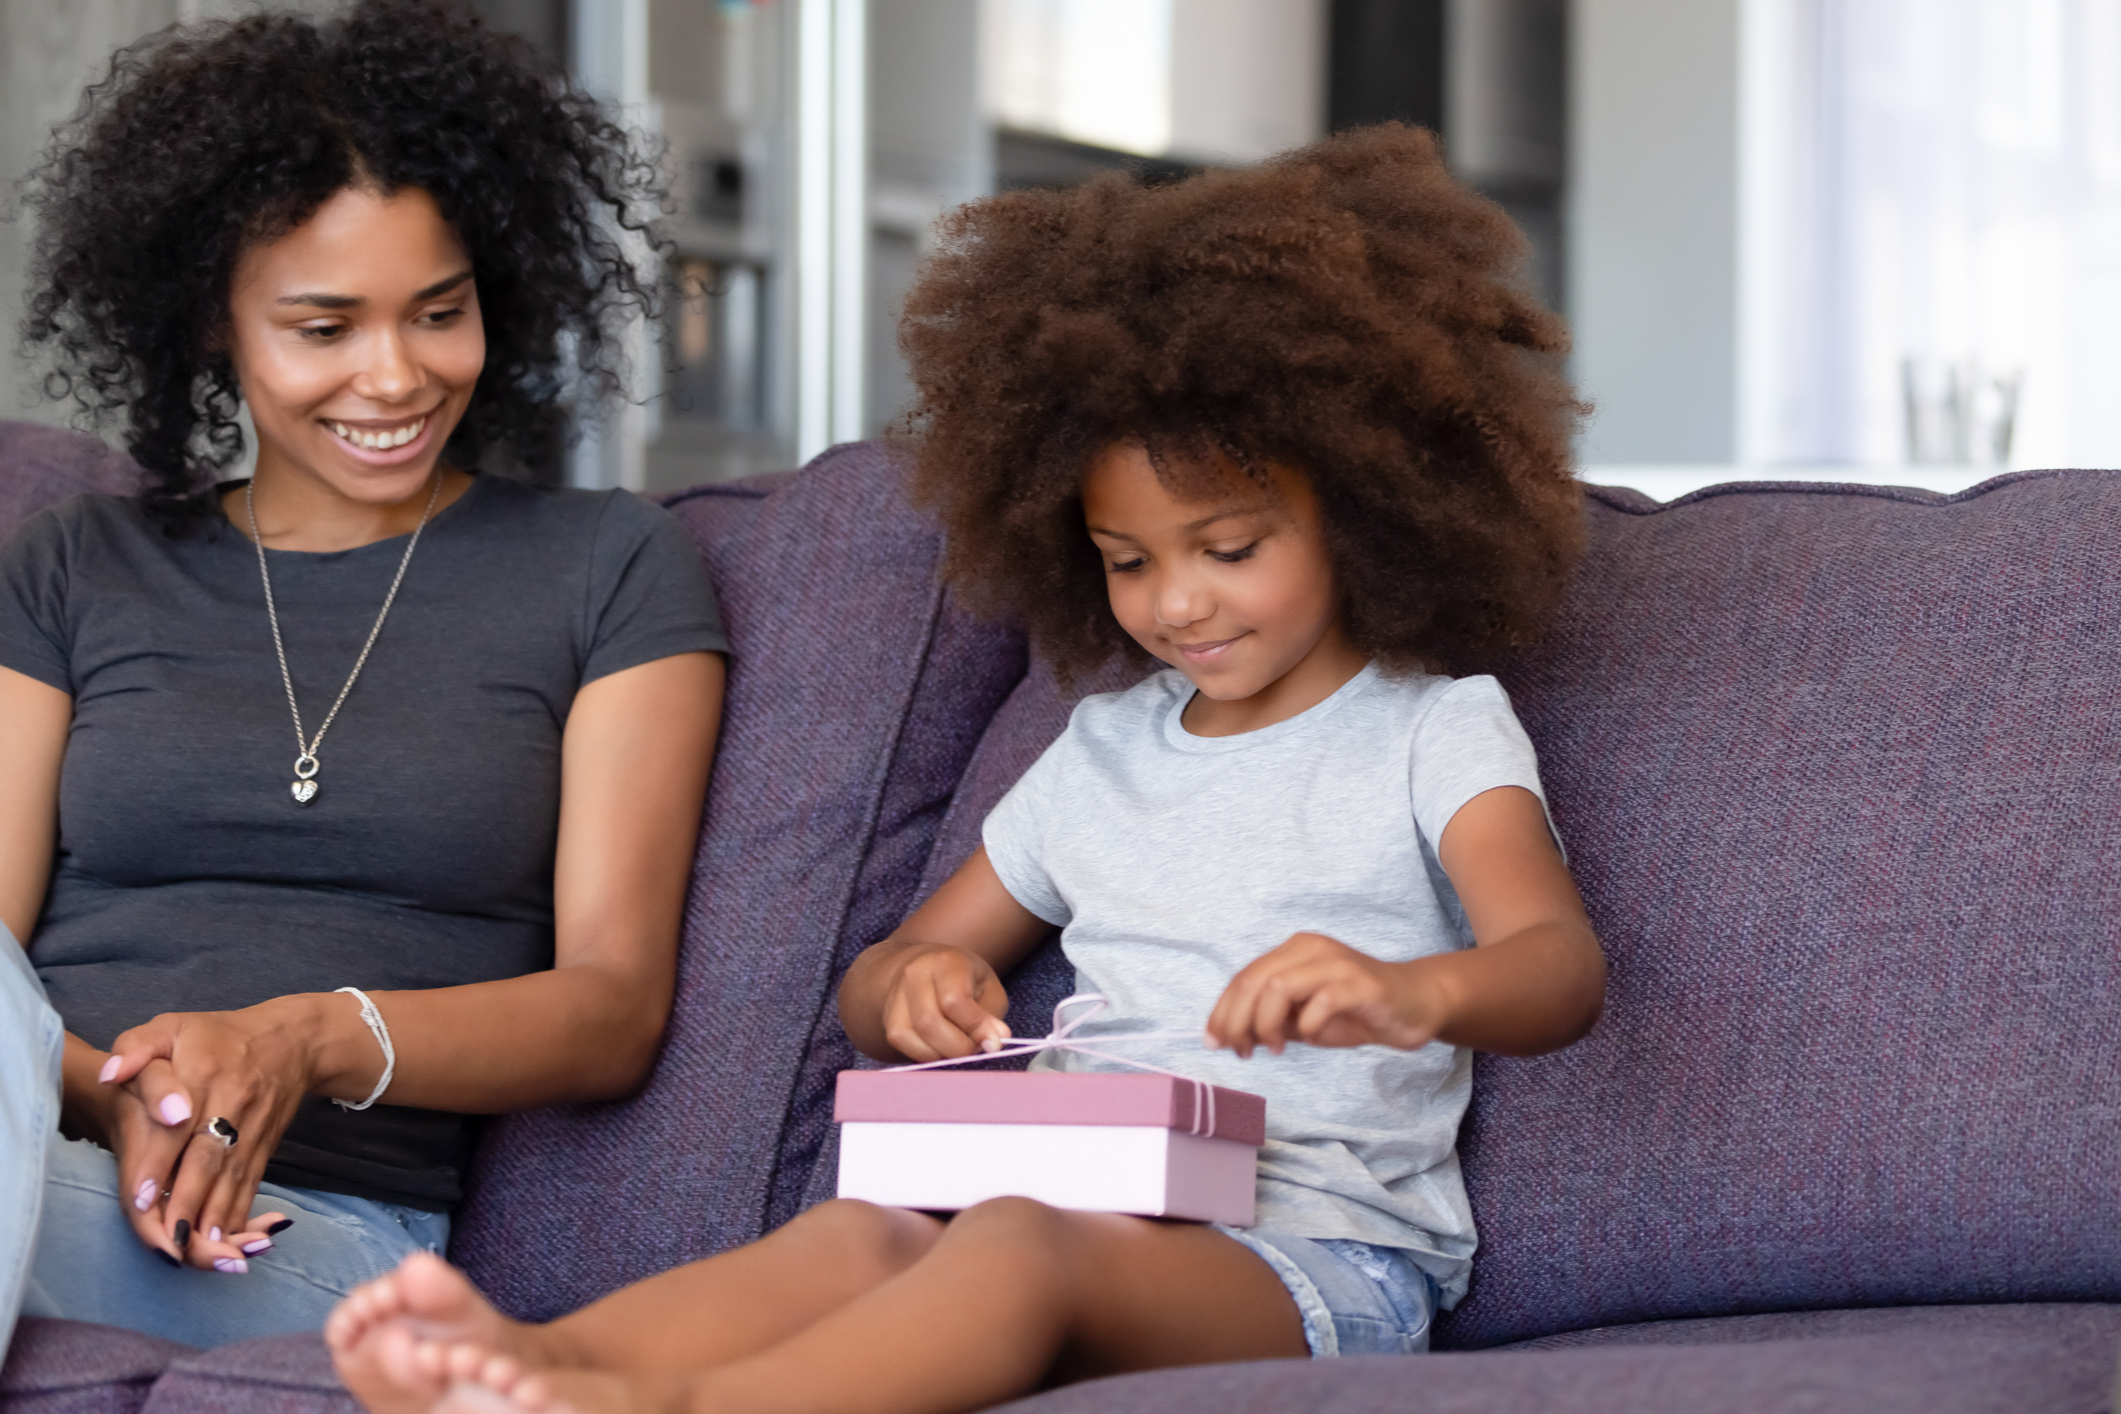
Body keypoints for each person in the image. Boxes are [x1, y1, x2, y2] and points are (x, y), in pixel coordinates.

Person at [325, 123, 1603, 1414]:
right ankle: (539, 1363)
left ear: (1365, 508)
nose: (1177, 603)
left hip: (1317, 1258)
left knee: (1012, 1241)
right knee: (857, 1229)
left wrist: (1409, 992)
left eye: (1229, 547)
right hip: (1082, 1193)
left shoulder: (1431, 729)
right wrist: (913, 986)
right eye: (1128, 560)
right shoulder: (1102, 751)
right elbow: (886, 973)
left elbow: (1556, 967)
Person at [0, 0, 726, 1352]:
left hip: (305, 1235)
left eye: (438, 313)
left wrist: (305, 1040)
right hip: (44, 1138)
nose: (395, 377)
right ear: (212, 323)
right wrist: (126, 1096)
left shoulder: (607, 567)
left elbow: (613, 1007)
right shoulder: (74, 565)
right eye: (323, 327)